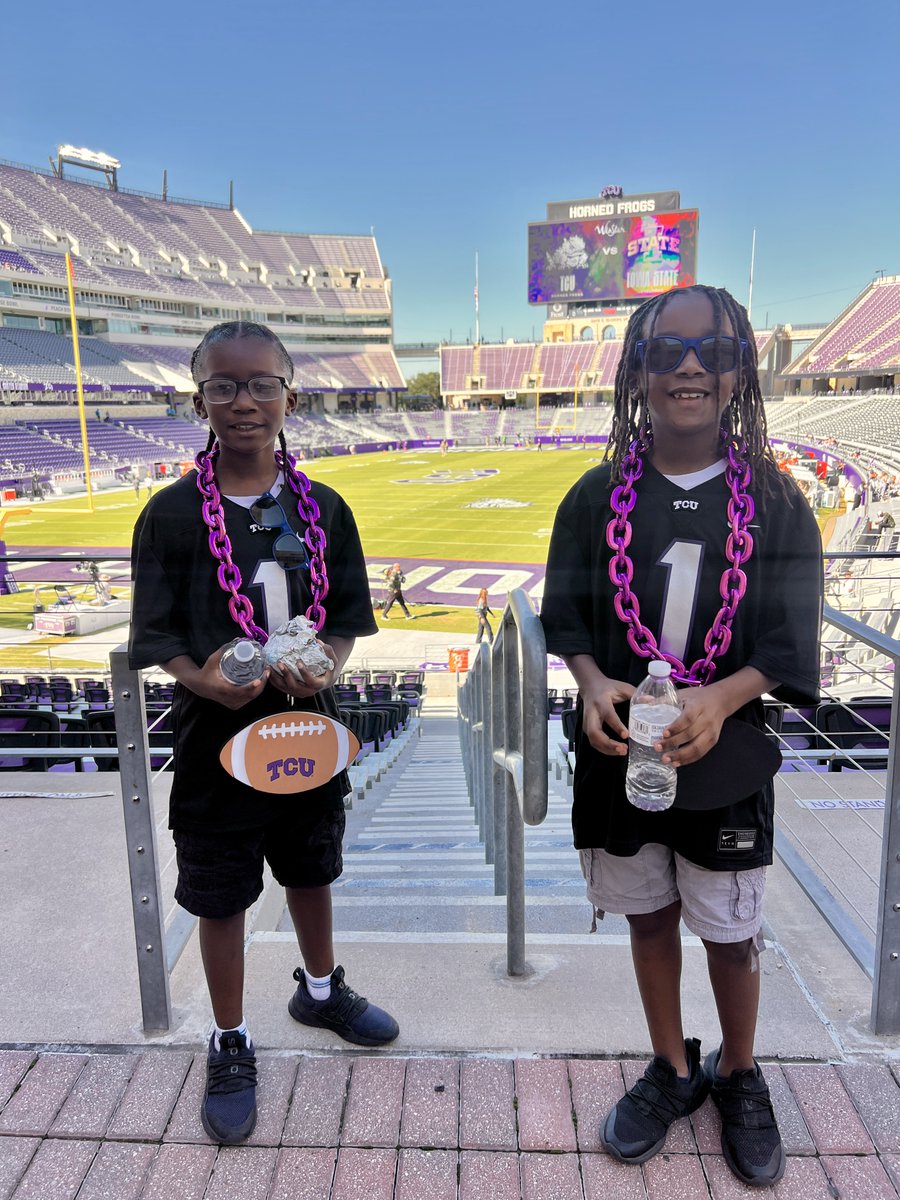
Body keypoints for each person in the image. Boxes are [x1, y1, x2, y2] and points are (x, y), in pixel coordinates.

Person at [541, 285, 822, 1189]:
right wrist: (590, 685)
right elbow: (570, 620)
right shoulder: (593, 499)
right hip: (621, 759)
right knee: (649, 917)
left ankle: (738, 1072)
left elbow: (786, 644)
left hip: (725, 764)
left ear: (741, 371)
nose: (691, 367)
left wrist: (725, 697)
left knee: (731, 935)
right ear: (638, 371)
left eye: (712, 352)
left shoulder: (777, 502)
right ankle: (670, 1064)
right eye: (667, 352)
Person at [128, 321, 398, 1147]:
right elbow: (156, 634)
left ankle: (318, 989)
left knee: (312, 870)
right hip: (215, 746)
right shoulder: (172, 515)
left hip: (308, 731)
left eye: (259, 384)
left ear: (291, 393)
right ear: (199, 397)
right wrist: (199, 675)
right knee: (222, 896)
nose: (242, 401)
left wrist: (330, 663)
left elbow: (348, 621)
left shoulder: (327, 508)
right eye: (222, 385)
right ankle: (231, 1037)